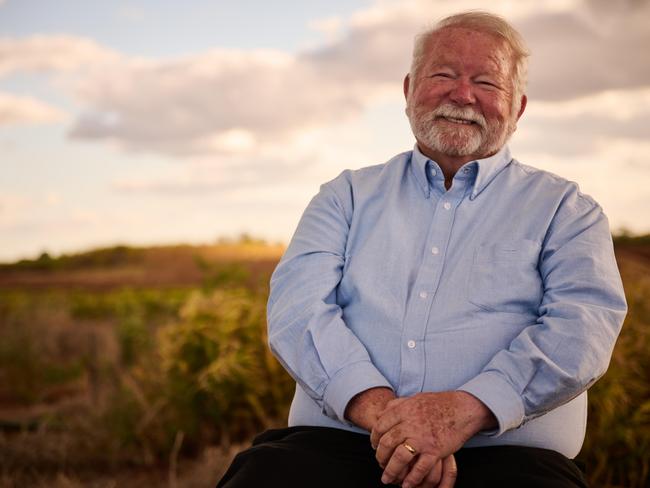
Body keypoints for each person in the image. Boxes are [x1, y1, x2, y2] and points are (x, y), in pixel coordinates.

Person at [217, 10, 627, 488]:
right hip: (342, 445)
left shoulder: (567, 210)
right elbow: (297, 311)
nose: (462, 94)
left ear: (517, 108)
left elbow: (583, 328)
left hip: (509, 458)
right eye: (444, 74)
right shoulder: (344, 195)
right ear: (409, 90)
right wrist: (394, 423)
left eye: (486, 83)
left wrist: (462, 413)